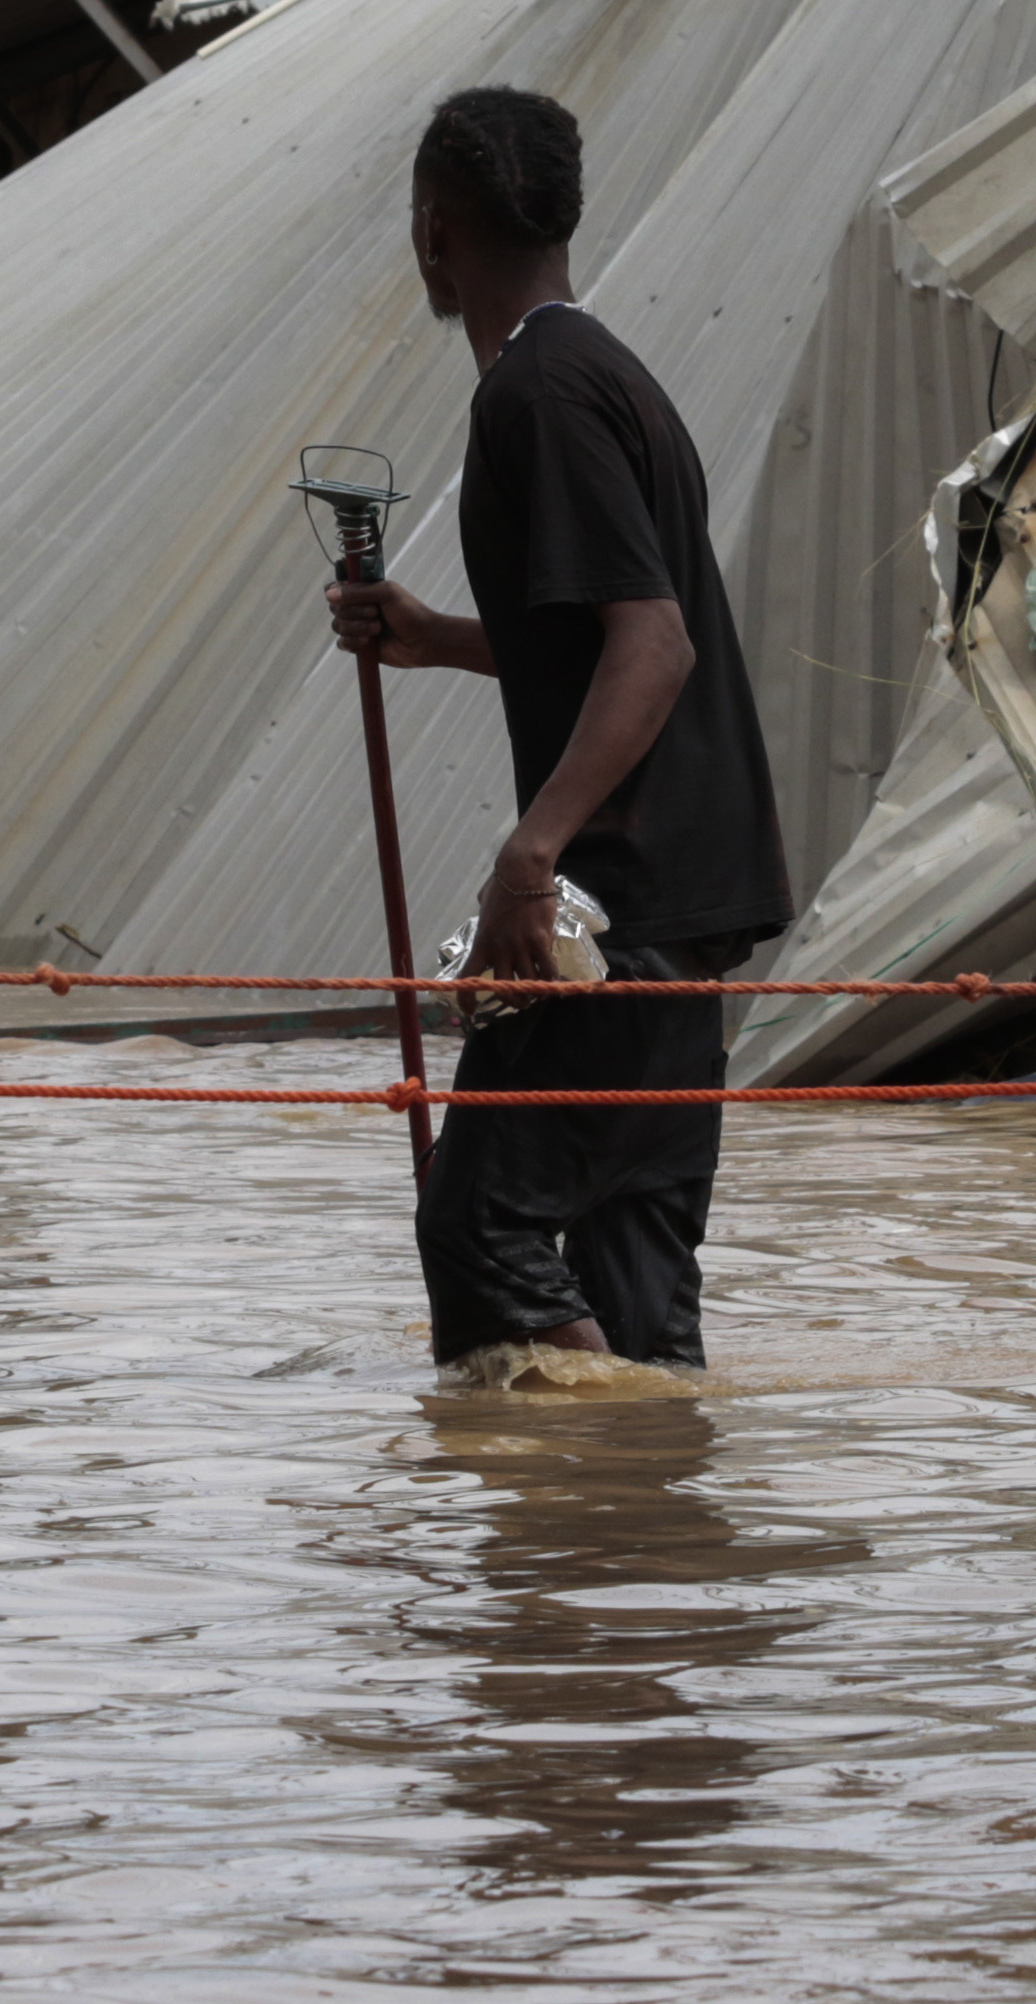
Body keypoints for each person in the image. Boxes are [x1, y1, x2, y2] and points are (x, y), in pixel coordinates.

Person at [322, 88, 792, 1376]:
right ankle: (645, 1530)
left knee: (476, 1228)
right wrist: (446, 637)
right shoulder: (611, 374)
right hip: (682, 933)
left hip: (617, 915)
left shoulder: (535, 393)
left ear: (431, 233)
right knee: (638, 1291)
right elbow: (602, 638)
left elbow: (656, 645)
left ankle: (602, 1477)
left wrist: (530, 856)